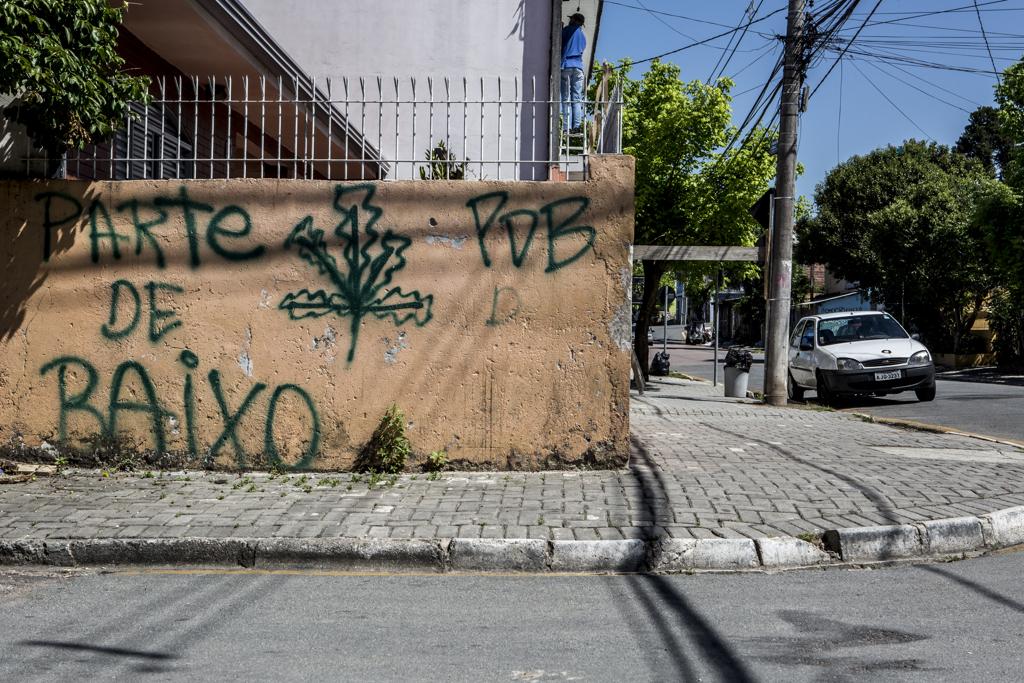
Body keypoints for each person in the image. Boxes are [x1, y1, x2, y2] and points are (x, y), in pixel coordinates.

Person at [560, 13, 586, 132]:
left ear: (575, 20)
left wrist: (560, 28)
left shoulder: (567, 30)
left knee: (565, 98)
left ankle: (566, 127)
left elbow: (558, 40)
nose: (570, 20)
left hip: (567, 65)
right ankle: (576, 126)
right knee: (576, 98)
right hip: (579, 68)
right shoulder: (583, 36)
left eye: (571, 19)